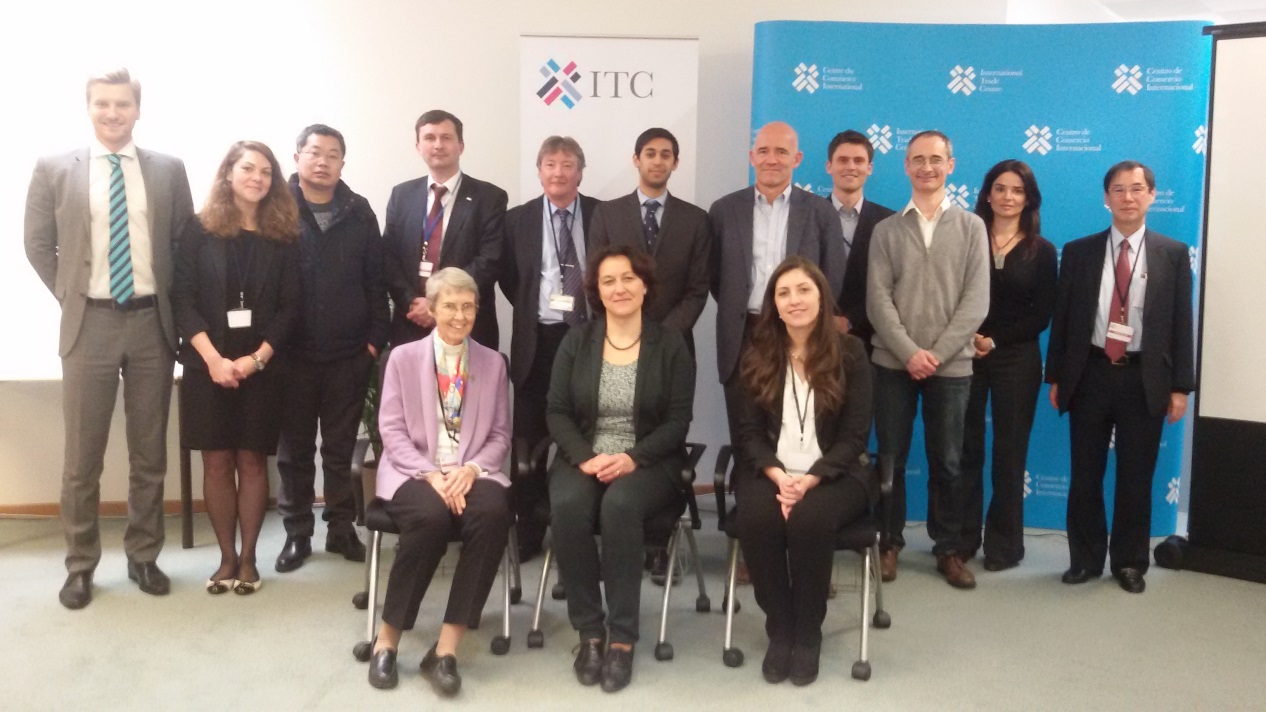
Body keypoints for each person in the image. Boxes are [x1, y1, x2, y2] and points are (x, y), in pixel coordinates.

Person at [25, 68, 195, 610]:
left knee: (149, 454)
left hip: (151, 324)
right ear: (89, 107)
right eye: (103, 103)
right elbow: (37, 243)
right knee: (82, 458)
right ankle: (80, 565)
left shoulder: (168, 170)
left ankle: (144, 556)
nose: (113, 113)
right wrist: (71, 295)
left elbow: (182, 243)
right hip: (89, 324)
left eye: (122, 104)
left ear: (137, 109)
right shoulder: (55, 168)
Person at [546, 245, 694, 694]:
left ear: (645, 285)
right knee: (568, 504)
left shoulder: (670, 344)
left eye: (629, 278)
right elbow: (556, 411)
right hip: (586, 454)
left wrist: (632, 458)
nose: (619, 288)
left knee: (621, 504)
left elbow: (677, 422)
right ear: (597, 291)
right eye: (608, 281)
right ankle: (590, 632)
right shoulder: (577, 342)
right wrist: (585, 456)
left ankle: (623, 639)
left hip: (649, 460)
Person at [1046, 160, 1194, 594]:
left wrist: (1180, 386)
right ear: (1106, 198)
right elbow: (1063, 319)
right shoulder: (1079, 251)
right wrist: (1057, 376)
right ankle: (1084, 559)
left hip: (1144, 377)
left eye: (1136, 189)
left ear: (1152, 195)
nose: (1128, 197)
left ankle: (1129, 562)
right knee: (1085, 473)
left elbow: (1181, 324)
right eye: (1118, 189)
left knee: (1136, 476)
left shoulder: (1172, 253)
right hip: (1090, 373)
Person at [366, 267, 511, 697]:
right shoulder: (403, 358)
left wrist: (471, 470)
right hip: (413, 469)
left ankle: (445, 651)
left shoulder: (492, 363)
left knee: (493, 513)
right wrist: (431, 473)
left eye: (468, 306)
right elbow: (391, 431)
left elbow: (500, 435)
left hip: (471, 470)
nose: (459, 315)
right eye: (449, 305)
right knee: (429, 517)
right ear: (431, 308)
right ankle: (386, 641)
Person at [733, 256, 874, 687]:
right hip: (771, 473)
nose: (794, 300)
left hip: (836, 473)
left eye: (803, 290)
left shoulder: (851, 354)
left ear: (821, 297)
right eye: (783, 293)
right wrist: (779, 476)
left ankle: (808, 631)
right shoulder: (757, 354)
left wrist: (811, 479)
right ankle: (781, 627)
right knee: (757, 518)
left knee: (810, 520)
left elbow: (854, 436)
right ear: (774, 305)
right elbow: (748, 434)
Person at [173, 141, 301, 595]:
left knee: (251, 460)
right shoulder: (198, 229)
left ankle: (248, 560)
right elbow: (182, 298)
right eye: (248, 168)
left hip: (262, 368)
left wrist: (255, 359)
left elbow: (291, 307)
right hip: (206, 364)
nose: (257, 178)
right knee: (216, 461)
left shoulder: (283, 236)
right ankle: (225, 557)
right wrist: (213, 359)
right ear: (229, 173)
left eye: (266, 171)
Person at [867, 130, 989, 588]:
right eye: (917, 159)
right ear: (906, 166)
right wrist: (908, 352)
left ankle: (949, 549)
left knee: (950, 461)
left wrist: (935, 355)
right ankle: (889, 543)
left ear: (950, 165)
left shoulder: (972, 227)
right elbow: (878, 300)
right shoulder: (886, 230)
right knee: (891, 460)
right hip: (892, 364)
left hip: (951, 366)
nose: (927, 167)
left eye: (935, 159)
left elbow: (976, 302)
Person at [709, 121, 848, 507]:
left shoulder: (819, 212)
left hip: (799, 335)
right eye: (764, 151)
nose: (772, 159)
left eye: (782, 152)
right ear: (752, 156)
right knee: (746, 432)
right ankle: (750, 518)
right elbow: (716, 278)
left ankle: (797, 510)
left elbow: (831, 277)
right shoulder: (724, 210)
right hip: (743, 333)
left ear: (797, 158)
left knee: (792, 426)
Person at [274, 124, 389, 573]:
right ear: (297, 157)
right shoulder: (276, 208)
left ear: (343, 162)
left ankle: (341, 528)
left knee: (340, 450)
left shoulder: (359, 211)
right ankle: (297, 533)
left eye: (333, 154)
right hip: (291, 356)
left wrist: (374, 344)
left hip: (349, 355)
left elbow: (375, 281)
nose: (323, 161)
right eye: (314, 152)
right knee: (295, 453)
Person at [499, 136, 599, 561]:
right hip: (537, 341)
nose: (559, 172)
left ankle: (582, 526)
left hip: (590, 341)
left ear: (580, 172)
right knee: (529, 437)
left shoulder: (603, 214)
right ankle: (528, 529)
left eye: (567, 164)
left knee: (589, 433)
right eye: (551, 164)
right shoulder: (516, 220)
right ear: (539, 171)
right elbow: (511, 279)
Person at [960, 160, 1057, 571]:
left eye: (1017, 190)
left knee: (1009, 454)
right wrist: (969, 337)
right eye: (1000, 188)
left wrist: (995, 340)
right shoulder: (966, 238)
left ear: (1029, 198)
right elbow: (950, 295)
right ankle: (960, 540)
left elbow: (1042, 314)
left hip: (1017, 359)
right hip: (964, 354)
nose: (1007, 197)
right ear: (987, 193)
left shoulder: (1042, 250)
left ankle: (1004, 546)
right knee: (965, 450)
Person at [383, 109, 507, 349]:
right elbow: (389, 258)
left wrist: (440, 306)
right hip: (411, 322)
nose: (438, 145)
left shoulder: (490, 198)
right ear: (418, 146)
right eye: (429, 138)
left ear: (461, 146)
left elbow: (489, 260)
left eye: (446, 137)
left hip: (466, 323)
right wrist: (412, 302)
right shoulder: (401, 195)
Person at [589, 127, 711, 354]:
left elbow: (698, 289)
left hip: (673, 345)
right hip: (617, 342)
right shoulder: (607, 214)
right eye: (650, 153)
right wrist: (623, 329)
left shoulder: (695, 219)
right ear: (636, 159)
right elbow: (595, 280)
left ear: (675, 163)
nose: (657, 161)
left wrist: (663, 335)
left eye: (665, 155)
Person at [828, 129, 896, 351]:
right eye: (843, 160)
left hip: (871, 340)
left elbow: (893, 284)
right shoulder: (808, 216)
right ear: (829, 166)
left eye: (858, 160)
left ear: (869, 168)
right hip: (815, 337)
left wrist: (851, 320)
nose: (850, 166)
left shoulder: (889, 221)